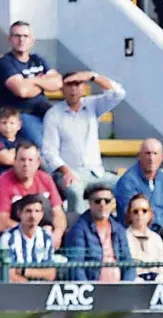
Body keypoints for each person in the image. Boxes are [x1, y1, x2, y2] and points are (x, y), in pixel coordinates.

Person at [41, 71, 125, 215]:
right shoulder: (53, 114)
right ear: (62, 88)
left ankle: (121, 230)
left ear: (84, 87)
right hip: (70, 172)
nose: (73, 89)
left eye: (77, 84)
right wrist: (65, 171)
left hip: (97, 172)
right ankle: (77, 232)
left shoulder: (92, 105)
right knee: (75, 192)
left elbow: (118, 94)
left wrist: (93, 77)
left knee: (126, 185)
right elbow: (49, 151)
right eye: (69, 85)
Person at [112, 138, 163, 261]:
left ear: (162, 157)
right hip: (136, 233)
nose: (151, 158)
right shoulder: (127, 181)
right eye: (147, 153)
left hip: (159, 231)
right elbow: (133, 216)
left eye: (155, 154)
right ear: (139, 156)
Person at [0, 21, 62, 149]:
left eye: (25, 36)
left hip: (44, 111)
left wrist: (32, 81)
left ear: (32, 40)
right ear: (9, 40)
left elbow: (58, 82)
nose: (21, 40)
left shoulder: (38, 60)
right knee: (44, 147)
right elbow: (22, 91)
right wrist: (42, 82)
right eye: (17, 36)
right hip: (20, 116)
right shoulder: (5, 63)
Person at [0, 141, 67, 245]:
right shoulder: (3, 182)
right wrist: (36, 234)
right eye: (22, 160)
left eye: (30, 160)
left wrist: (57, 234)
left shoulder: (46, 179)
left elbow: (58, 213)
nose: (26, 164)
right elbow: (1, 223)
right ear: (15, 161)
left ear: (38, 162)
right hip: (16, 239)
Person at [62, 183, 135, 281]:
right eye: (98, 201)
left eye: (107, 201)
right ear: (90, 203)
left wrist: (127, 287)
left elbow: (128, 262)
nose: (102, 204)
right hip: (92, 290)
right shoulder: (78, 230)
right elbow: (76, 266)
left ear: (112, 203)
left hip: (119, 289)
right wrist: (88, 289)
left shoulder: (119, 229)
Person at [0, 194, 57, 281]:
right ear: (19, 213)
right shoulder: (7, 238)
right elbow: (8, 275)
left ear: (42, 214)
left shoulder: (46, 237)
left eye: (37, 211)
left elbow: (51, 274)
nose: (33, 215)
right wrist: (30, 286)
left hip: (41, 289)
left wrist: (23, 271)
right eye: (28, 211)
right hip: (15, 290)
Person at [125, 193, 163, 272]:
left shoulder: (156, 238)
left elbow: (161, 268)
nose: (140, 214)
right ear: (129, 214)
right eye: (135, 211)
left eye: (144, 211)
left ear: (150, 214)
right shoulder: (124, 237)